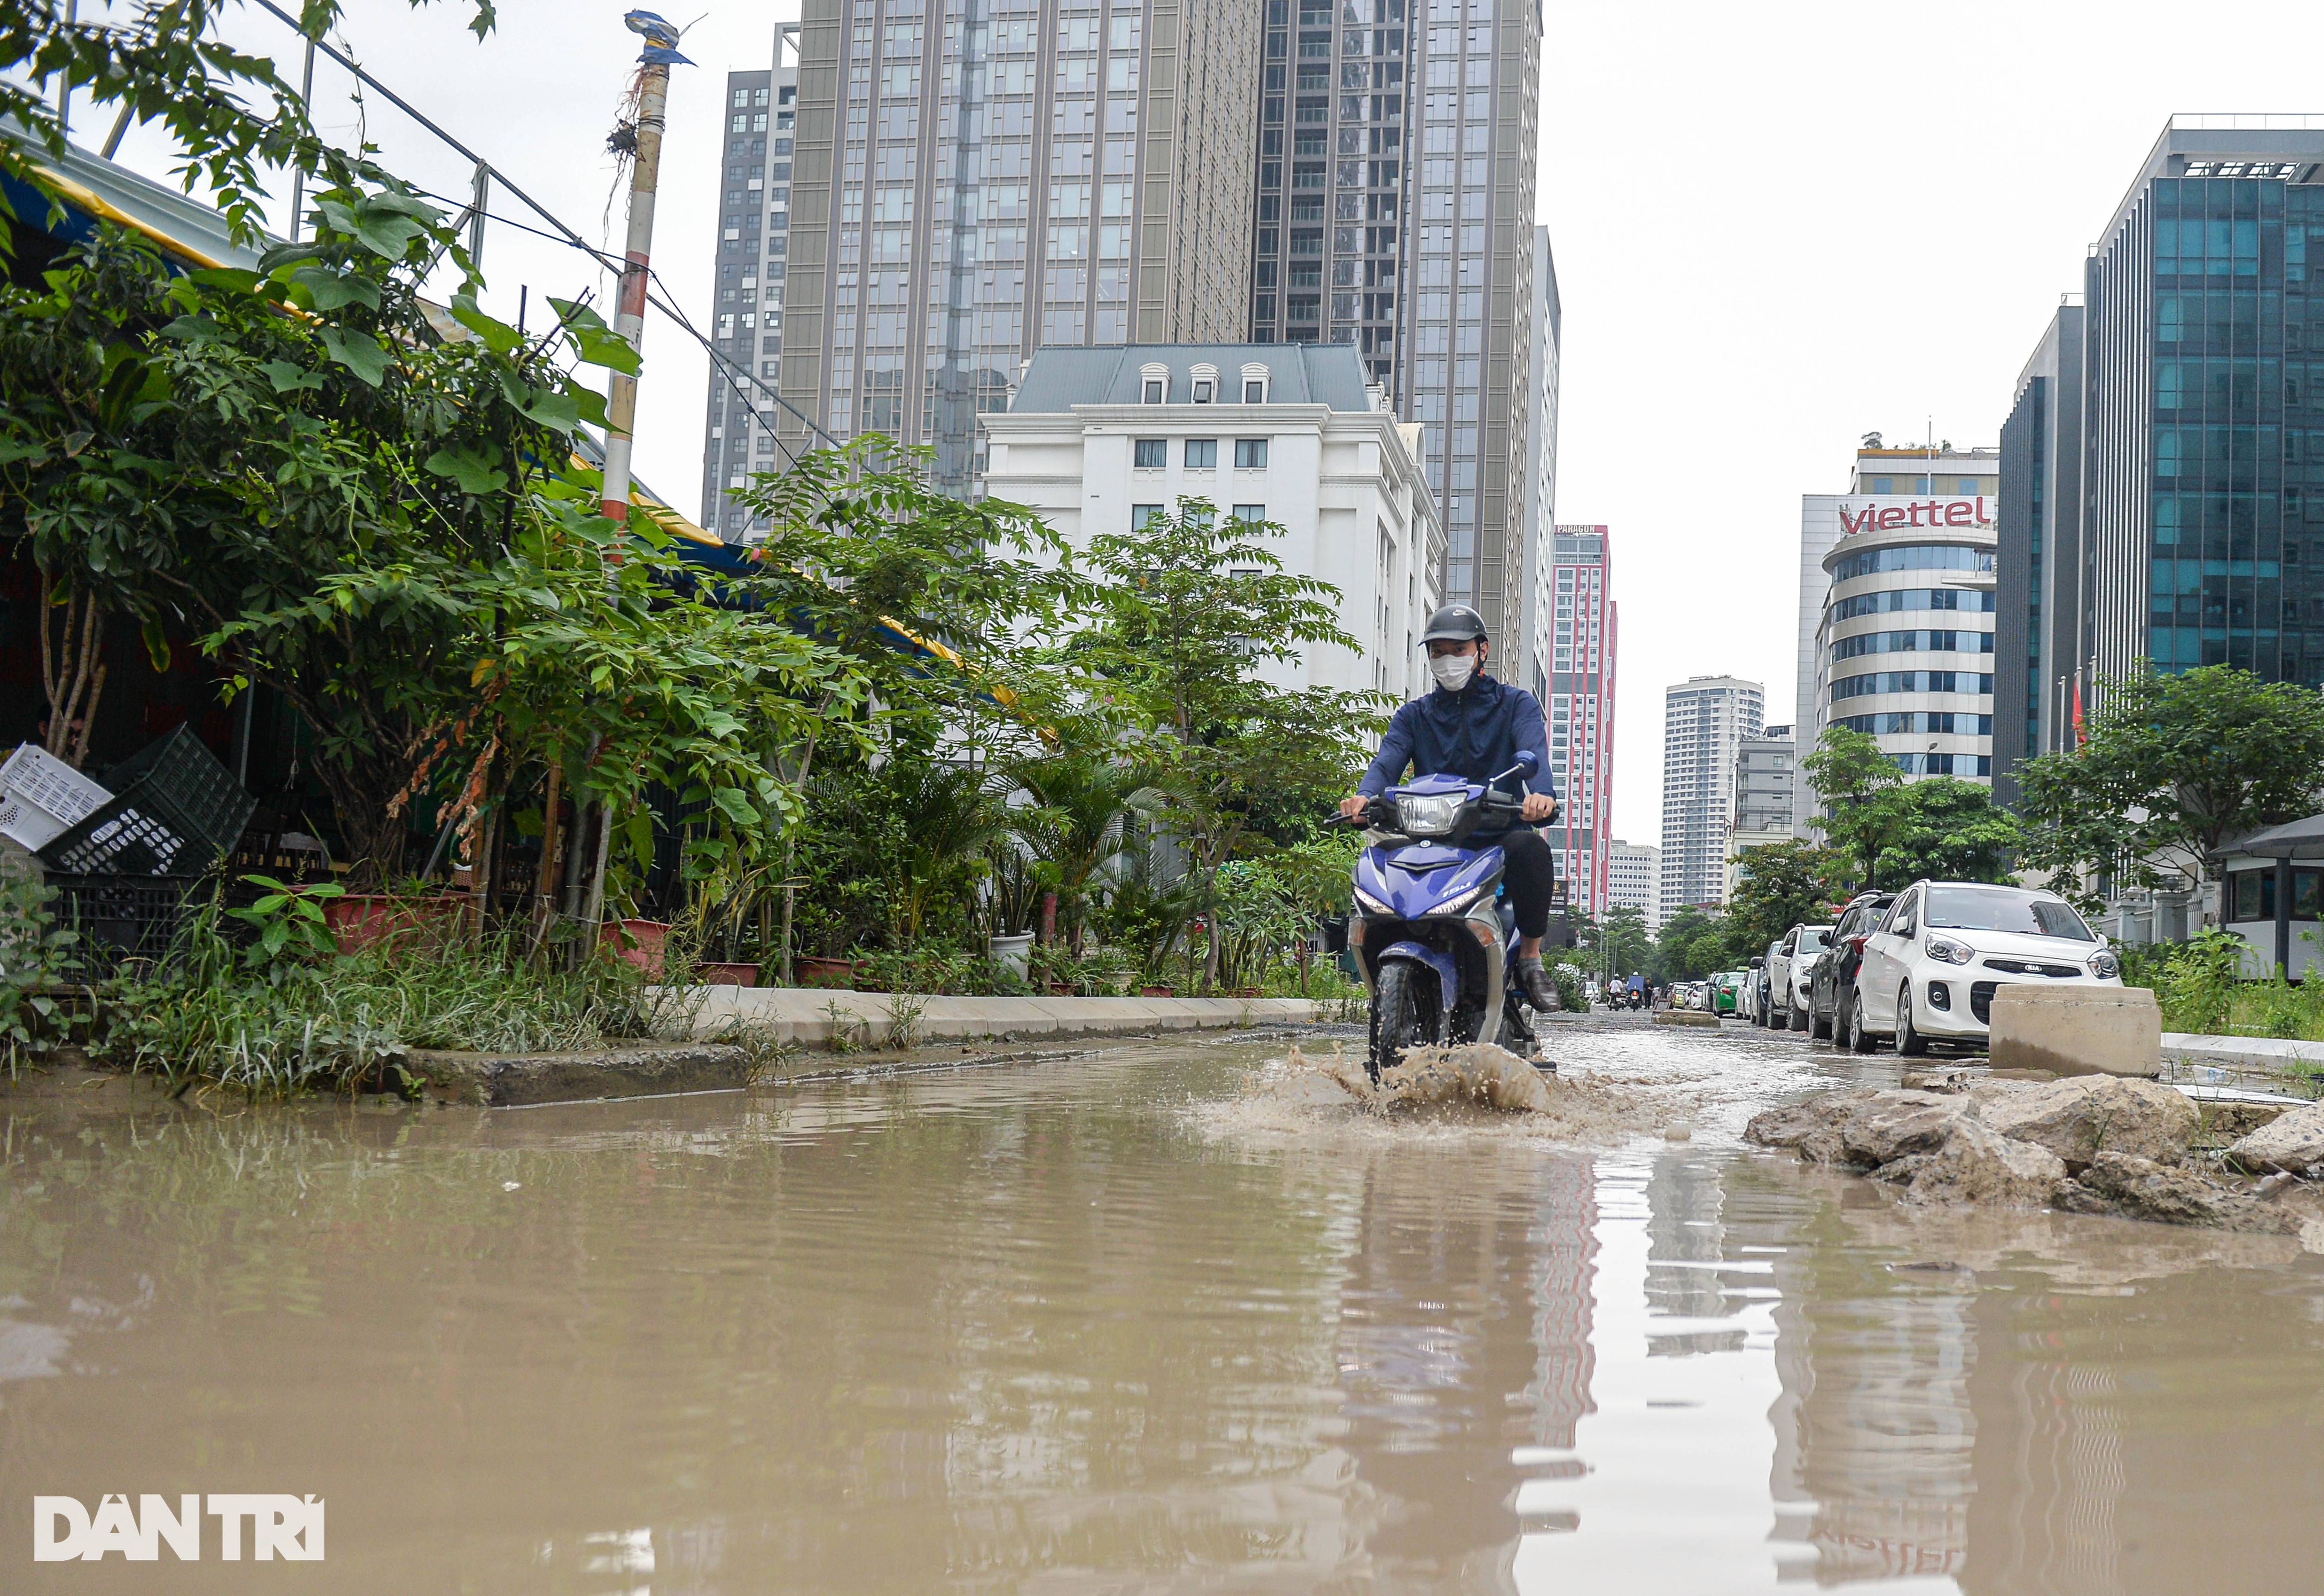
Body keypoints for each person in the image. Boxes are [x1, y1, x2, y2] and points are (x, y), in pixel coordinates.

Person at [1338, 603, 1564, 1011]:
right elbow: (1387, 763)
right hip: (1429, 838)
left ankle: (1530, 957)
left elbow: (1534, 752)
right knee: (1374, 862)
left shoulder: (1515, 705)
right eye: (1438, 651)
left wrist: (1540, 796)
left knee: (1532, 850)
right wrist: (1363, 796)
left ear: (1482, 651)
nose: (1447, 660)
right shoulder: (1415, 715)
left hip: (1496, 834)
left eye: (1458, 650)